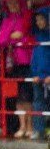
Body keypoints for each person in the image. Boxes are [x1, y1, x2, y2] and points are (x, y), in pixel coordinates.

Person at [0, 0, 35, 138]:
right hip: (12, 63)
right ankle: (22, 126)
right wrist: (11, 35)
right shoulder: (7, 20)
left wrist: (9, 35)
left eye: (14, 2)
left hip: (25, 59)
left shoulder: (26, 16)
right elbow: (0, 40)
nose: (12, 5)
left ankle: (30, 126)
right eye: (9, 3)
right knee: (18, 96)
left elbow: (20, 34)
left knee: (27, 95)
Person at [31, 10, 50, 140]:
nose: (38, 22)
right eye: (37, 20)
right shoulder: (38, 36)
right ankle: (39, 129)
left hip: (48, 76)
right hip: (39, 76)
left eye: (41, 19)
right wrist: (35, 73)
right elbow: (35, 57)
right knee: (38, 102)